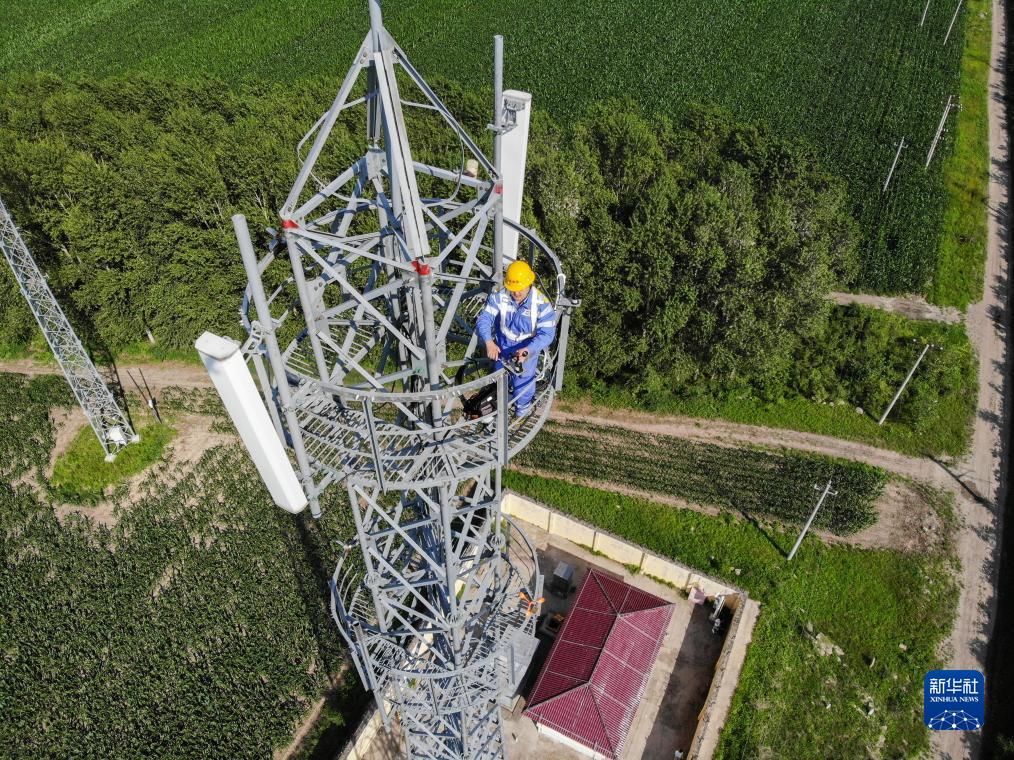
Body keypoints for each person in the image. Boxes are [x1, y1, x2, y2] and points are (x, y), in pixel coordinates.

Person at [475, 260, 557, 418]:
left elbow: (547, 334)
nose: (516, 293)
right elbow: (484, 319)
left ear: (529, 283)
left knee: (523, 384)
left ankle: (521, 411)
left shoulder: (542, 304)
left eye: (520, 289)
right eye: (513, 289)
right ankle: (495, 410)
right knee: (498, 380)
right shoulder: (500, 296)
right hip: (502, 346)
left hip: (526, 349)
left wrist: (528, 351)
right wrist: (488, 341)